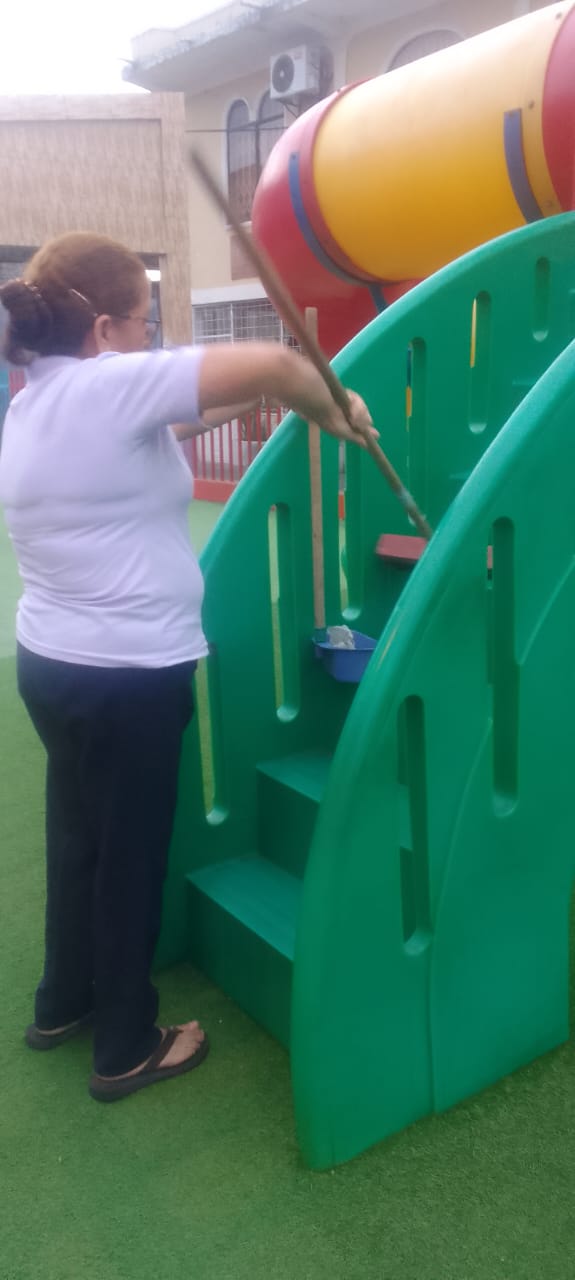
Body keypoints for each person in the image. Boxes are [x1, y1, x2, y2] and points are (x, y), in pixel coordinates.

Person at [0, 231, 374, 1103]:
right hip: (126, 676)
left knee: (79, 840)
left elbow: (178, 418)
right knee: (129, 856)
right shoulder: (107, 385)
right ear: (103, 328)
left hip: (53, 664)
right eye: (143, 322)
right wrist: (333, 403)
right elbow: (278, 362)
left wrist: (265, 402)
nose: (148, 338)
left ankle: (63, 1003)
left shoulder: (37, 399)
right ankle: (125, 1046)